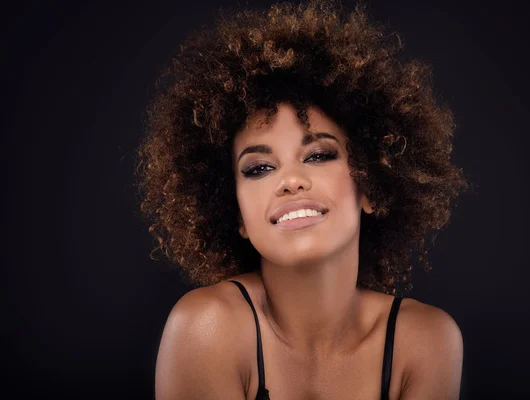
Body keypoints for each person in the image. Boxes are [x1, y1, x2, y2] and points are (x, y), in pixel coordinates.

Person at [135, 0, 469, 398]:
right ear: (236, 212)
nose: (291, 181)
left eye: (319, 155)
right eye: (259, 168)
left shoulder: (425, 341)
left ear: (372, 186)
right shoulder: (208, 327)